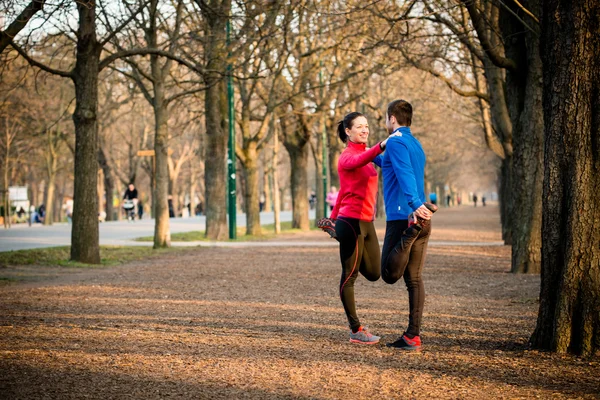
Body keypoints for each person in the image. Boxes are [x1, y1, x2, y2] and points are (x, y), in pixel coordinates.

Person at [318, 112, 391, 345]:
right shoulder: (348, 156)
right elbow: (359, 160)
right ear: (348, 131)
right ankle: (356, 329)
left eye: (367, 126)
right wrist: (381, 145)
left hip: (366, 222)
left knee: (374, 272)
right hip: (351, 219)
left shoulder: (368, 155)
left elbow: (343, 190)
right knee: (350, 276)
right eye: (359, 126)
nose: (365, 129)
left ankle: (338, 231)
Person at [377, 99, 434, 351]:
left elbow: (404, 174)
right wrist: (365, 155)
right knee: (414, 279)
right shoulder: (414, 143)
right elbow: (389, 165)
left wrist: (413, 204)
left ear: (392, 118)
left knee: (389, 274)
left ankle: (410, 234)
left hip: (405, 217)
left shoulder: (397, 141)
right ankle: (413, 336)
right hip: (421, 218)